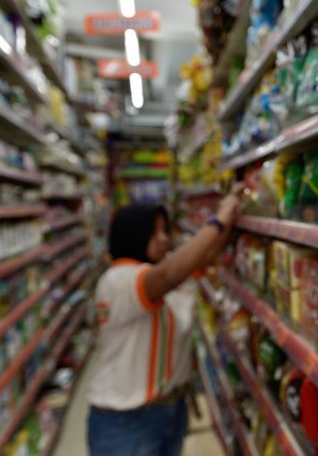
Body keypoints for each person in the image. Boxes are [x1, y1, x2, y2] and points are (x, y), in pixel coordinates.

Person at [86, 185, 242, 456]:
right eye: (153, 232)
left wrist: (233, 207)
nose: (163, 239)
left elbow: (203, 255)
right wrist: (219, 218)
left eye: (165, 231)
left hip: (171, 410)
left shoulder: (161, 266)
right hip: (126, 421)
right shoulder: (118, 280)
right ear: (133, 235)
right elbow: (167, 277)